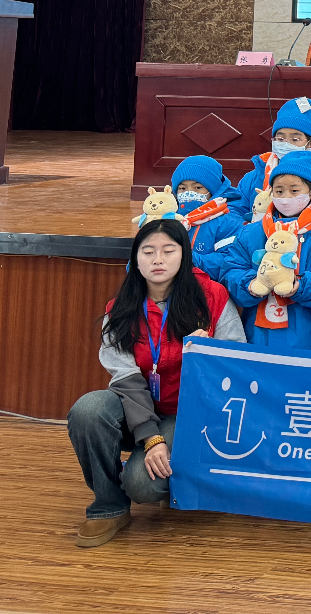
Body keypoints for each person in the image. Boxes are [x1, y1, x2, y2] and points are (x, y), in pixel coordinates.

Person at [67, 219, 246, 547]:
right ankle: (109, 506)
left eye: (168, 251)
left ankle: (174, 478)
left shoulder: (212, 297)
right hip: (139, 408)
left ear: (184, 255)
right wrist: (151, 438)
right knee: (89, 410)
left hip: (188, 413)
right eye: (148, 252)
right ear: (136, 260)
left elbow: (237, 365)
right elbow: (125, 378)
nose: (158, 259)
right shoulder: (121, 307)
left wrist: (209, 354)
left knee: (142, 485)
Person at [219, 153, 311, 351]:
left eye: (294, 191)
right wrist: (251, 284)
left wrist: (299, 286)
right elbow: (230, 270)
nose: (286, 197)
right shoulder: (251, 233)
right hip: (257, 336)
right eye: (279, 191)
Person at [233, 97, 311, 231]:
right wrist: (250, 235)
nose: (286, 143)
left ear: (310, 143)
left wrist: (283, 233)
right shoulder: (254, 176)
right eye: (280, 138)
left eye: (295, 139)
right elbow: (234, 211)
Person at [168, 154, 244, 278]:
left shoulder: (228, 220)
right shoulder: (170, 217)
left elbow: (229, 260)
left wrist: (188, 259)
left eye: (198, 187)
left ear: (213, 190)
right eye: (182, 188)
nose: (189, 193)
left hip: (207, 286)